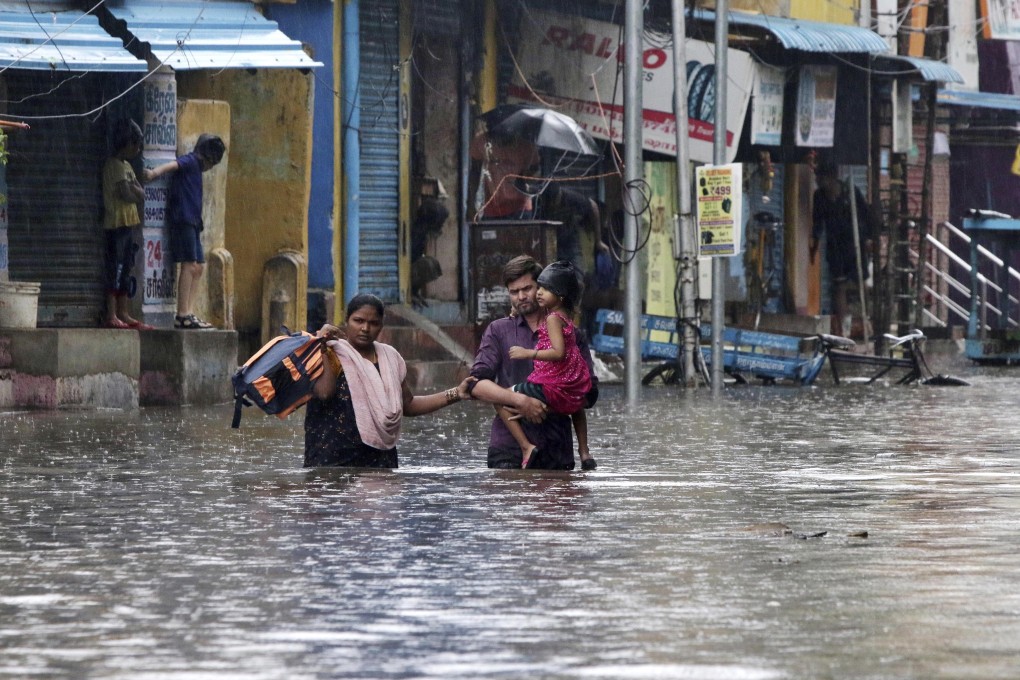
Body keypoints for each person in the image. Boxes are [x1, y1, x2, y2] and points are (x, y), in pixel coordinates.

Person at [304, 293, 473, 468]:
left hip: (379, 460)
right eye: (359, 321)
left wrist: (457, 393)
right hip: (331, 461)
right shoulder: (329, 353)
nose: (365, 328)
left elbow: (408, 404)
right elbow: (324, 393)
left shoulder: (390, 358)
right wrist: (322, 348)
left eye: (373, 323)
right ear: (347, 320)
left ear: (381, 325)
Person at [469, 255, 599, 471]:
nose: (521, 297)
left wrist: (551, 402)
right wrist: (521, 402)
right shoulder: (498, 331)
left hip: (556, 450)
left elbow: (590, 393)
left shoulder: (570, 334)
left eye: (527, 288)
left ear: (543, 287)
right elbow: (476, 385)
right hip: (509, 451)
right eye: (513, 292)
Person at [500, 260, 593, 469]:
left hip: (552, 388)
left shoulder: (553, 320)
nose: (536, 294)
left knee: (501, 396)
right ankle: (585, 452)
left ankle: (526, 447)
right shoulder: (566, 316)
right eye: (514, 292)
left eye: (540, 289)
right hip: (572, 379)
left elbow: (559, 353)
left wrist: (528, 353)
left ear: (559, 295)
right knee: (576, 404)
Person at [144, 133, 226, 330]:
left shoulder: (197, 167)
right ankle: (182, 314)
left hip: (194, 222)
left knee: (199, 267)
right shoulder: (191, 161)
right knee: (189, 265)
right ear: (207, 158)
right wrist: (153, 174)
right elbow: (174, 165)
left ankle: (189, 311)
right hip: (183, 219)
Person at [810, 160, 876, 338]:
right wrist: (814, 244)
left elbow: (866, 215)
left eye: (821, 177)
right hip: (835, 246)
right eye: (817, 177)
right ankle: (845, 330)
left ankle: (866, 321)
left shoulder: (850, 192)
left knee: (860, 283)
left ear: (832, 177)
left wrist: (869, 238)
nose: (818, 180)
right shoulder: (819, 197)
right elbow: (817, 223)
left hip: (855, 244)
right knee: (839, 287)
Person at [101, 120, 153, 330]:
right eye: (136, 144)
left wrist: (134, 190)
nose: (138, 149)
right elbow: (127, 193)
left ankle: (124, 312)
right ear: (126, 143)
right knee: (115, 268)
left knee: (126, 269)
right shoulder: (113, 165)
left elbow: (140, 193)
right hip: (116, 225)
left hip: (129, 224)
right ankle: (111, 313)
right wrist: (134, 190)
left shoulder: (128, 166)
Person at [535, 181, 608, 268]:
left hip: (570, 241)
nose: (552, 205)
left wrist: (598, 241)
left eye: (554, 201)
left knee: (576, 272)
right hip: (550, 242)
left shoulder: (571, 197)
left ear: (559, 194)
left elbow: (593, 207)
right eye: (550, 203)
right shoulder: (539, 201)